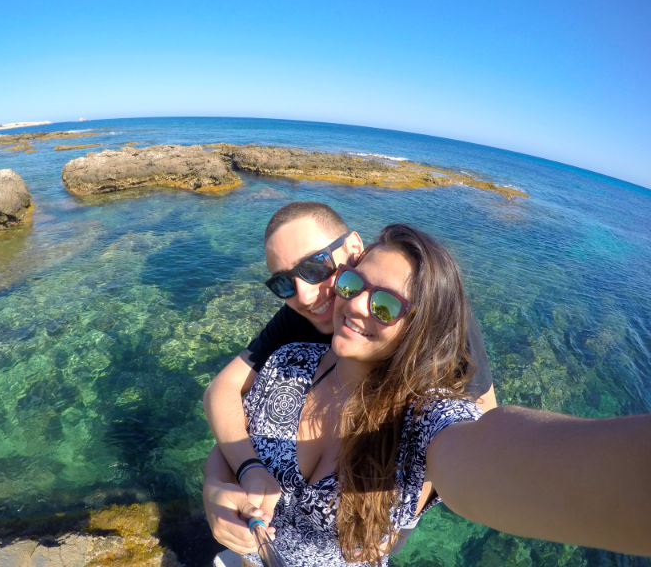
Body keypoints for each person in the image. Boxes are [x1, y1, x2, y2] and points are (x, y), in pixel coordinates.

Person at [203, 224, 651, 565]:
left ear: (419, 328)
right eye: (353, 285)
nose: (357, 305)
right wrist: (220, 486)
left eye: (386, 305)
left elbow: (488, 450)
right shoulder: (288, 363)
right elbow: (236, 426)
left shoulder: (420, 421)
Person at [203, 202, 496, 526]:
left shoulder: (446, 325)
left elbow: (482, 429)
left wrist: (407, 512)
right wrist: (232, 476)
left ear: (354, 248)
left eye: (314, 267)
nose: (305, 295)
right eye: (283, 284)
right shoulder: (302, 323)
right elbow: (224, 390)